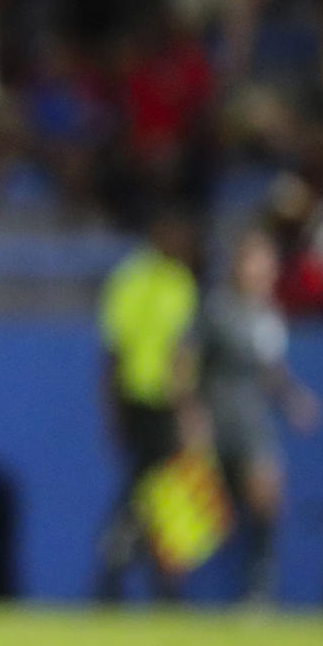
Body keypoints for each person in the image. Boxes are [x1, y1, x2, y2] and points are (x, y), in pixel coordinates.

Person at [195, 229, 322, 602]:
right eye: (255, 261)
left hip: (254, 423)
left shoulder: (268, 315)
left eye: (268, 262)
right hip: (218, 419)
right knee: (198, 512)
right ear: (238, 265)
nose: (263, 270)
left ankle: (259, 591)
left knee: (267, 496)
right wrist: (192, 415)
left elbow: (271, 370)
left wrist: (292, 398)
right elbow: (188, 363)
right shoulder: (216, 308)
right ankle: (159, 588)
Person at [94, 212, 199, 601]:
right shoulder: (169, 282)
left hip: (137, 402)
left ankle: (123, 572)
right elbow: (177, 354)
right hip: (155, 403)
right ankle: (149, 579)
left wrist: (111, 410)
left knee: (148, 491)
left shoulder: (130, 278)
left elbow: (113, 351)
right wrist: (188, 408)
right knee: (159, 492)